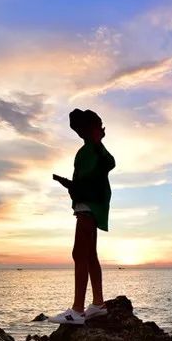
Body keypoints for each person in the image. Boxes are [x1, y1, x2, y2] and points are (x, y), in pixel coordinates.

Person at [49, 109, 116, 324]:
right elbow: (85, 179)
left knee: (79, 254)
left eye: (83, 129)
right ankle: (98, 304)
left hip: (90, 205)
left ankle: (77, 310)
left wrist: (97, 143)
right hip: (87, 204)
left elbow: (108, 164)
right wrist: (68, 183)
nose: (80, 133)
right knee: (89, 255)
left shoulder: (95, 150)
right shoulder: (88, 150)